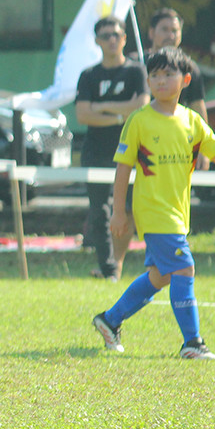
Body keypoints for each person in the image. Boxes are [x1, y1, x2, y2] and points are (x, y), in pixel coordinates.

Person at [92, 47, 215, 360]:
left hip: (177, 212)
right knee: (185, 267)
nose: (160, 81)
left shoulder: (191, 120)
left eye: (168, 74)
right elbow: (123, 169)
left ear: (185, 80)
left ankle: (110, 319)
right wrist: (118, 211)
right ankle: (193, 343)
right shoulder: (139, 121)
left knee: (162, 276)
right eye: (154, 75)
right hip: (154, 212)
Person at [75, 16, 149, 281]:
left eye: (116, 35)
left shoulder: (136, 71)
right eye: (105, 36)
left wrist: (102, 108)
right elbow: (83, 115)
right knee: (99, 210)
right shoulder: (88, 75)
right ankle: (108, 268)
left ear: (124, 38)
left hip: (131, 150)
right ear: (97, 41)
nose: (111, 40)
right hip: (96, 150)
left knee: (132, 208)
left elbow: (141, 106)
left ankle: (150, 265)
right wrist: (122, 111)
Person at [146, 7, 210, 170]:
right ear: (151, 33)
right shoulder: (136, 64)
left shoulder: (189, 68)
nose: (170, 35)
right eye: (165, 29)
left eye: (175, 30)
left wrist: (204, 149)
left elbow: (198, 106)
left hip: (176, 147)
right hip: (143, 143)